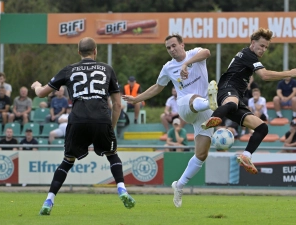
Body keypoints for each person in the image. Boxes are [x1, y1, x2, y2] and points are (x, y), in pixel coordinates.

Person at [31, 37, 135, 215]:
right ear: (96, 51)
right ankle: (121, 189)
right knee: (112, 154)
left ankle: (49, 200)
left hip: (78, 119)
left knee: (67, 161)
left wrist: (36, 85)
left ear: (79, 52)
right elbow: (117, 105)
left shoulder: (69, 69)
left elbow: (41, 93)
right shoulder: (107, 69)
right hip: (101, 118)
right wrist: (111, 127)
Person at [122, 34, 216, 208]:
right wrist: (136, 99)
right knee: (194, 98)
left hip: (204, 110)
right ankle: (212, 104)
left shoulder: (194, 53)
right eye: (168, 48)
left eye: (174, 46)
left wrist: (187, 63)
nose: (171, 50)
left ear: (182, 45)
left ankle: (179, 185)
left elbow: (207, 52)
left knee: (201, 155)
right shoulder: (168, 67)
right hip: (185, 106)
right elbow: (158, 87)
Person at [201, 28, 296, 173]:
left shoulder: (249, 57)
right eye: (261, 45)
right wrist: (288, 73)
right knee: (232, 103)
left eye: (266, 47)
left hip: (236, 99)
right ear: (253, 43)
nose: (263, 49)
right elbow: (265, 76)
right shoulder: (248, 54)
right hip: (227, 89)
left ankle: (246, 156)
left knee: (262, 128)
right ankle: (213, 117)